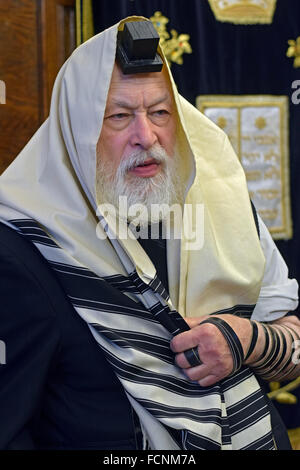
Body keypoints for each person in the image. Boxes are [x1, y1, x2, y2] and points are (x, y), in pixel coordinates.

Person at [0, 16, 299, 451]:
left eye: (160, 112)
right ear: (77, 133)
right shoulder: (24, 249)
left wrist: (249, 341)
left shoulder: (224, 209)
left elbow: (291, 350)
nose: (147, 136)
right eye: (119, 116)